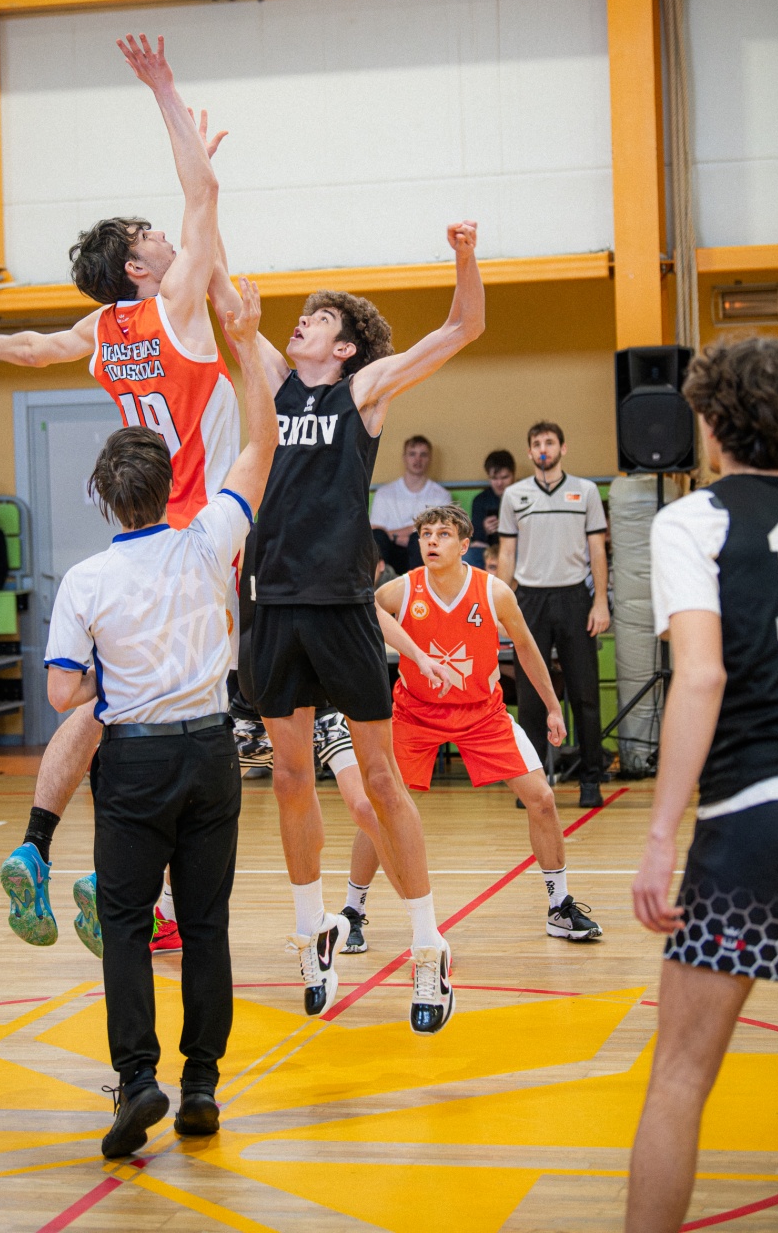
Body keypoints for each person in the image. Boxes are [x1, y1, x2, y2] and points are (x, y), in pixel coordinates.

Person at [0, 35, 236, 954]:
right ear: (143, 269)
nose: (166, 238)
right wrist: (164, 87)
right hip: (197, 532)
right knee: (182, 718)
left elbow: (39, 350)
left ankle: (38, 845)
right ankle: (124, 884)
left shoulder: (106, 329)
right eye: (153, 239)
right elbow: (203, 198)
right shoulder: (176, 308)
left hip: (139, 536)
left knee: (105, 701)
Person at [210, 221, 485, 1033]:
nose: (301, 322)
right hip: (270, 604)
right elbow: (218, 285)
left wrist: (464, 257)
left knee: (381, 781)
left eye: (320, 319)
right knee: (289, 778)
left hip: (340, 606)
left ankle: (429, 945)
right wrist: (201, 194)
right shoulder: (271, 376)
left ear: (345, 348)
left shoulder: (361, 392)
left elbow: (463, 327)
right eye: (303, 316)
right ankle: (313, 930)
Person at [42, 278, 275, 1158]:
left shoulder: (86, 582)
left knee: (128, 928)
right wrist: (244, 344)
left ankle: (138, 1080)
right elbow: (260, 444)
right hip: (212, 754)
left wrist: (113, 678)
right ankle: (203, 1083)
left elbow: (63, 695)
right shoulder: (210, 538)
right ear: (174, 479)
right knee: (207, 926)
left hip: (133, 763)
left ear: (106, 500)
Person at [627, 336, 778, 1233]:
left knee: (680, 1074)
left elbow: (701, 676)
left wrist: (662, 833)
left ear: (708, 422)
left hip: (755, 814)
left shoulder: (693, 520)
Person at [342, 505, 601, 949]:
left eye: (443, 534)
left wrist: (552, 707)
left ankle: (559, 906)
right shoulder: (401, 590)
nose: (431, 541)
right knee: (377, 807)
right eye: (426, 534)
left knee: (541, 799)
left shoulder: (494, 591)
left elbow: (527, 647)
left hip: (482, 713)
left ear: (465, 546)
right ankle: (353, 910)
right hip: (415, 714)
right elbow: (362, 612)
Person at [497, 421, 610, 808]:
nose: (543, 448)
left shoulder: (587, 491)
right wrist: (499, 603)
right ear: (529, 452)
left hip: (575, 597)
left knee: (584, 693)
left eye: (549, 442)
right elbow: (506, 554)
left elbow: (597, 550)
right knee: (531, 698)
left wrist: (600, 602)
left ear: (563, 448)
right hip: (529, 601)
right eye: (536, 443)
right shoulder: (514, 495)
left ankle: (591, 780)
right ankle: (534, 782)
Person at [370, 435, 448, 574]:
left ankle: (419, 584)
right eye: (412, 454)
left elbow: (439, 531)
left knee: (419, 537)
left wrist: (400, 536)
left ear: (430, 458)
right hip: (389, 549)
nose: (418, 459)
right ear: (404, 457)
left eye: (423, 454)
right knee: (378, 536)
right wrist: (398, 537)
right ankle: (382, 582)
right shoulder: (384, 493)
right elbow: (374, 530)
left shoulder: (441, 495)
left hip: (421, 550)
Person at [465, 449, 515, 568]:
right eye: (494, 478)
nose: (499, 483)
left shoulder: (521, 497)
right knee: (467, 556)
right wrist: (485, 530)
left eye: (504, 477)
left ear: (513, 475)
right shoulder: (480, 500)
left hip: (516, 548)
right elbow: (475, 539)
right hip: (488, 549)